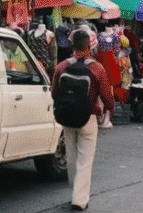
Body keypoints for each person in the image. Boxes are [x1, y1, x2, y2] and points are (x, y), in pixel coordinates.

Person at [51, 31, 114, 212]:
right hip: (88, 118)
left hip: (66, 117)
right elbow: (106, 95)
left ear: (73, 46)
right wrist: (110, 109)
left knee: (71, 156)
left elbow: (55, 93)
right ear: (89, 46)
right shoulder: (97, 68)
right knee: (85, 159)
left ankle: (74, 192)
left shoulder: (62, 66)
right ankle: (79, 200)